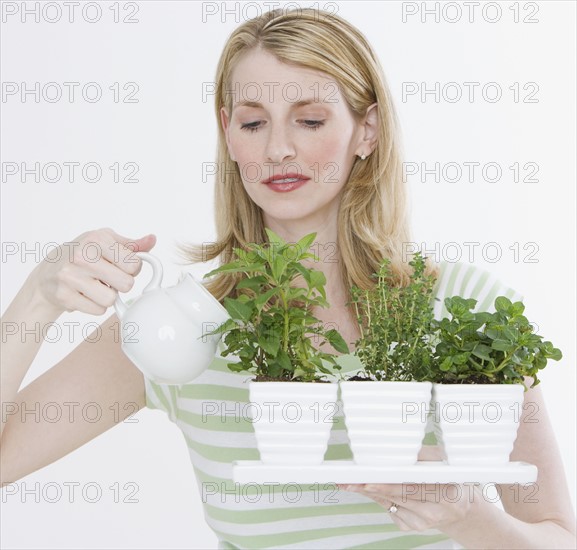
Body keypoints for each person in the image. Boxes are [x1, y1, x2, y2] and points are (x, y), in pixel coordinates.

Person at [1, 7, 575, 550]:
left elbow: (557, 536)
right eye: (253, 122)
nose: (278, 148)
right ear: (228, 133)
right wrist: (35, 301)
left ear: (367, 130)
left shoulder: (468, 310)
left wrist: (472, 519)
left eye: (309, 120)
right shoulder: (181, 331)